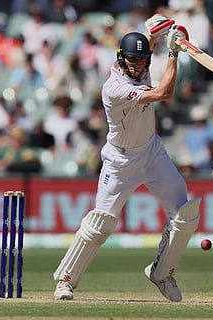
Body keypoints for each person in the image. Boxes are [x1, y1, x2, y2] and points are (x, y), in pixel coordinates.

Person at [53, 15, 201, 302]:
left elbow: (150, 32)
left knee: (185, 213)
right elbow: (164, 92)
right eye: (132, 61)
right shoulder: (115, 88)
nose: (138, 66)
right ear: (121, 59)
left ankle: (162, 273)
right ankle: (66, 281)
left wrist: (167, 29)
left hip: (152, 152)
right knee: (100, 223)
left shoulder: (142, 63)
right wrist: (173, 52)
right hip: (120, 162)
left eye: (142, 61)